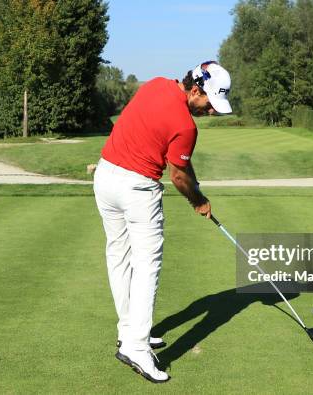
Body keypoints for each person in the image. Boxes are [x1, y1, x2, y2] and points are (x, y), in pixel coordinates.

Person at [93, 61, 232, 383]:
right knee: (146, 265)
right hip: (137, 189)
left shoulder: (155, 84)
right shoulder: (187, 126)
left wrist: (197, 189)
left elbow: (181, 162)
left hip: (105, 178)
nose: (211, 111)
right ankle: (137, 347)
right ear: (196, 90)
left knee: (119, 256)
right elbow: (178, 175)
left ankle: (128, 331)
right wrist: (198, 200)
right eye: (209, 103)